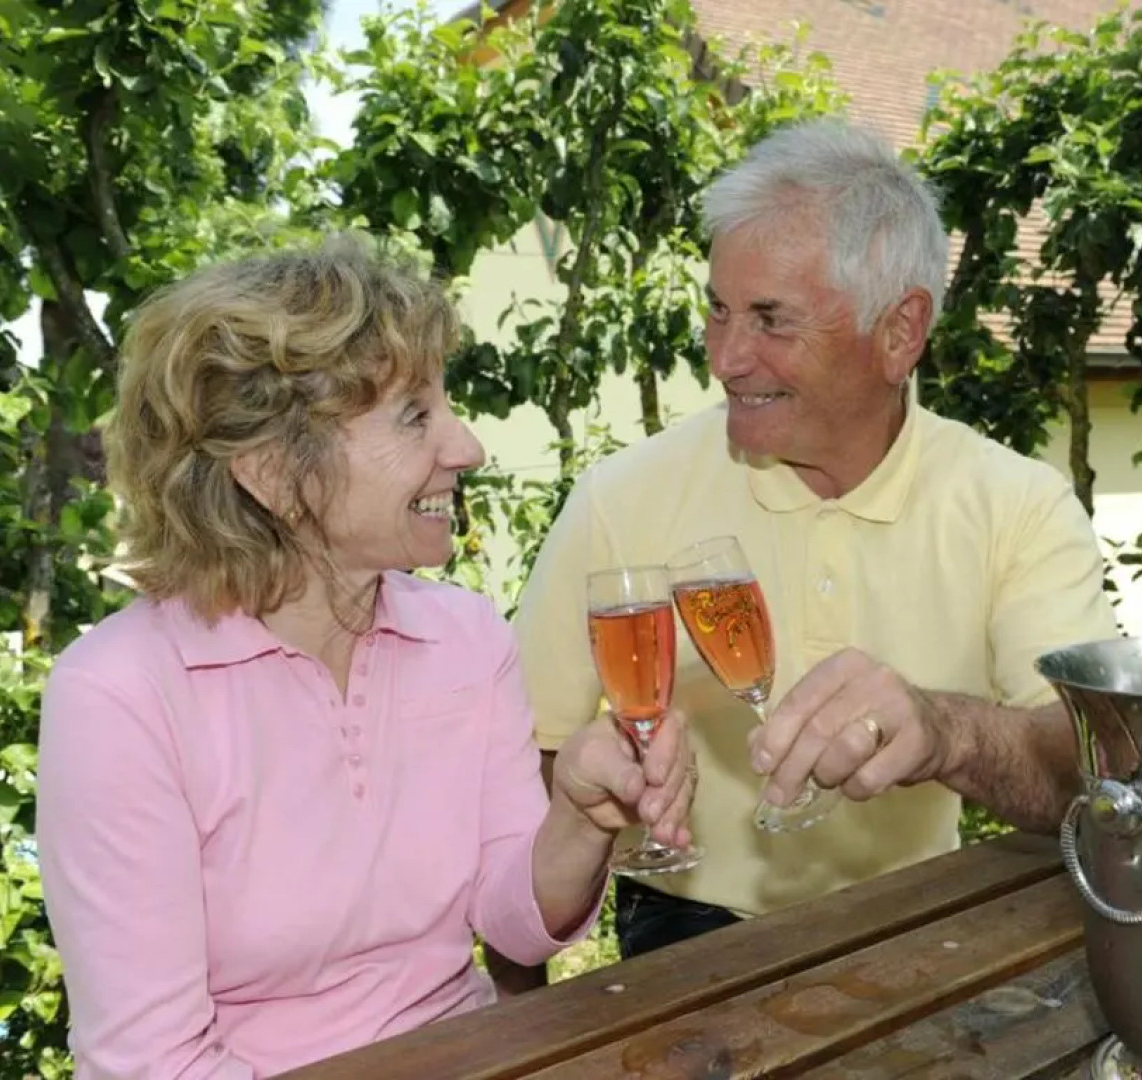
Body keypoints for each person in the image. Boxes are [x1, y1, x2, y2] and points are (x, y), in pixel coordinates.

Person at [35, 238, 695, 1078]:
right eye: (415, 416)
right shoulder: (121, 697)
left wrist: (579, 816)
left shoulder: (466, 638)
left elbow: (516, 927)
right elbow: (151, 1062)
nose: (468, 449)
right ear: (275, 472)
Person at [509, 118, 1119, 962]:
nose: (726, 359)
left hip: (919, 921)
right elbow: (513, 781)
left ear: (901, 331)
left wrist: (946, 731)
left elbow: (1097, 774)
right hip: (686, 932)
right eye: (718, 311)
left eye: (770, 320)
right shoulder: (621, 497)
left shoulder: (1016, 504)